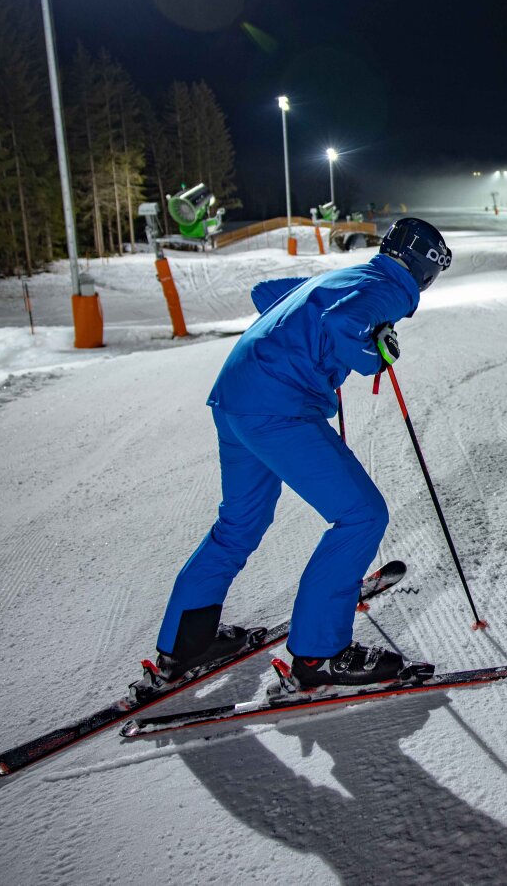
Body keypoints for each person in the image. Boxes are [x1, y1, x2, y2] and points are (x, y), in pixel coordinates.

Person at [152, 217, 452, 690]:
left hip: (234, 399)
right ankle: (320, 655)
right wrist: (377, 354)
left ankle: (186, 643)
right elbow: (342, 322)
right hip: (278, 409)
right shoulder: (394, 288)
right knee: (361, 515)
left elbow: (267, 293)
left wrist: (319, 342)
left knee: (238, 525)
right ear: (426, 268)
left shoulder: (348, 274)